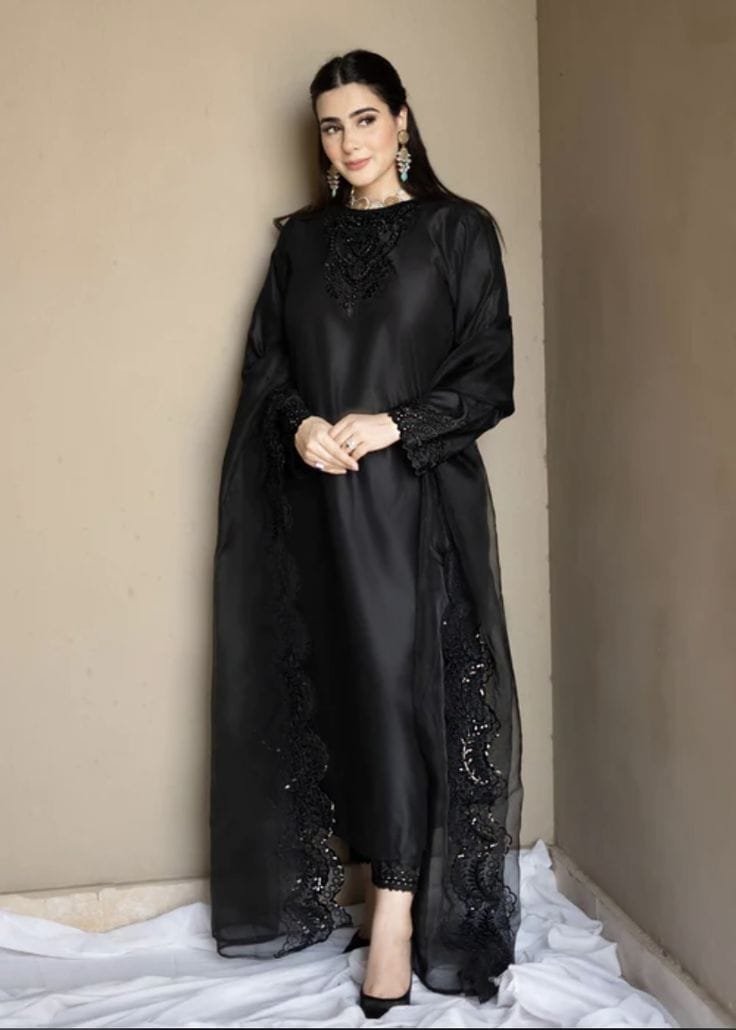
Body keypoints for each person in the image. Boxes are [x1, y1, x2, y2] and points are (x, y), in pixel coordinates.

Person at [209, 48, 524, 1019]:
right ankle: (386, 890)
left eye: (365, 119)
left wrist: (395, 423)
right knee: (345, 695)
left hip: (418, 505)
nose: (348, 142)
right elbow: (268, 371)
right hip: (320, 511)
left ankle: (395, 916)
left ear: (402, 120)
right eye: (331, 126)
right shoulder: (299, 244)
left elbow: (489, 374)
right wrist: (301, 424)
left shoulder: (458, 230)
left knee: (403, 694)